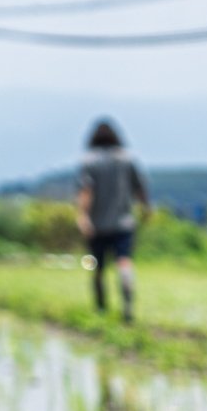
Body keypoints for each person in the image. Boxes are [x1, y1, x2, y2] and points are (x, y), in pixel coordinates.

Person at [76, 118, 151, 323]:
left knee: (97, 267)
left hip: (98, 225)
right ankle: (127, 298)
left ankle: (101, 308)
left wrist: (83, 217)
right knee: (124, 261)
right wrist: (146, 209)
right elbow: (140, 189)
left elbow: (86, 191)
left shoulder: (89, 161)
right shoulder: (127, 159)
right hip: (124, 223)